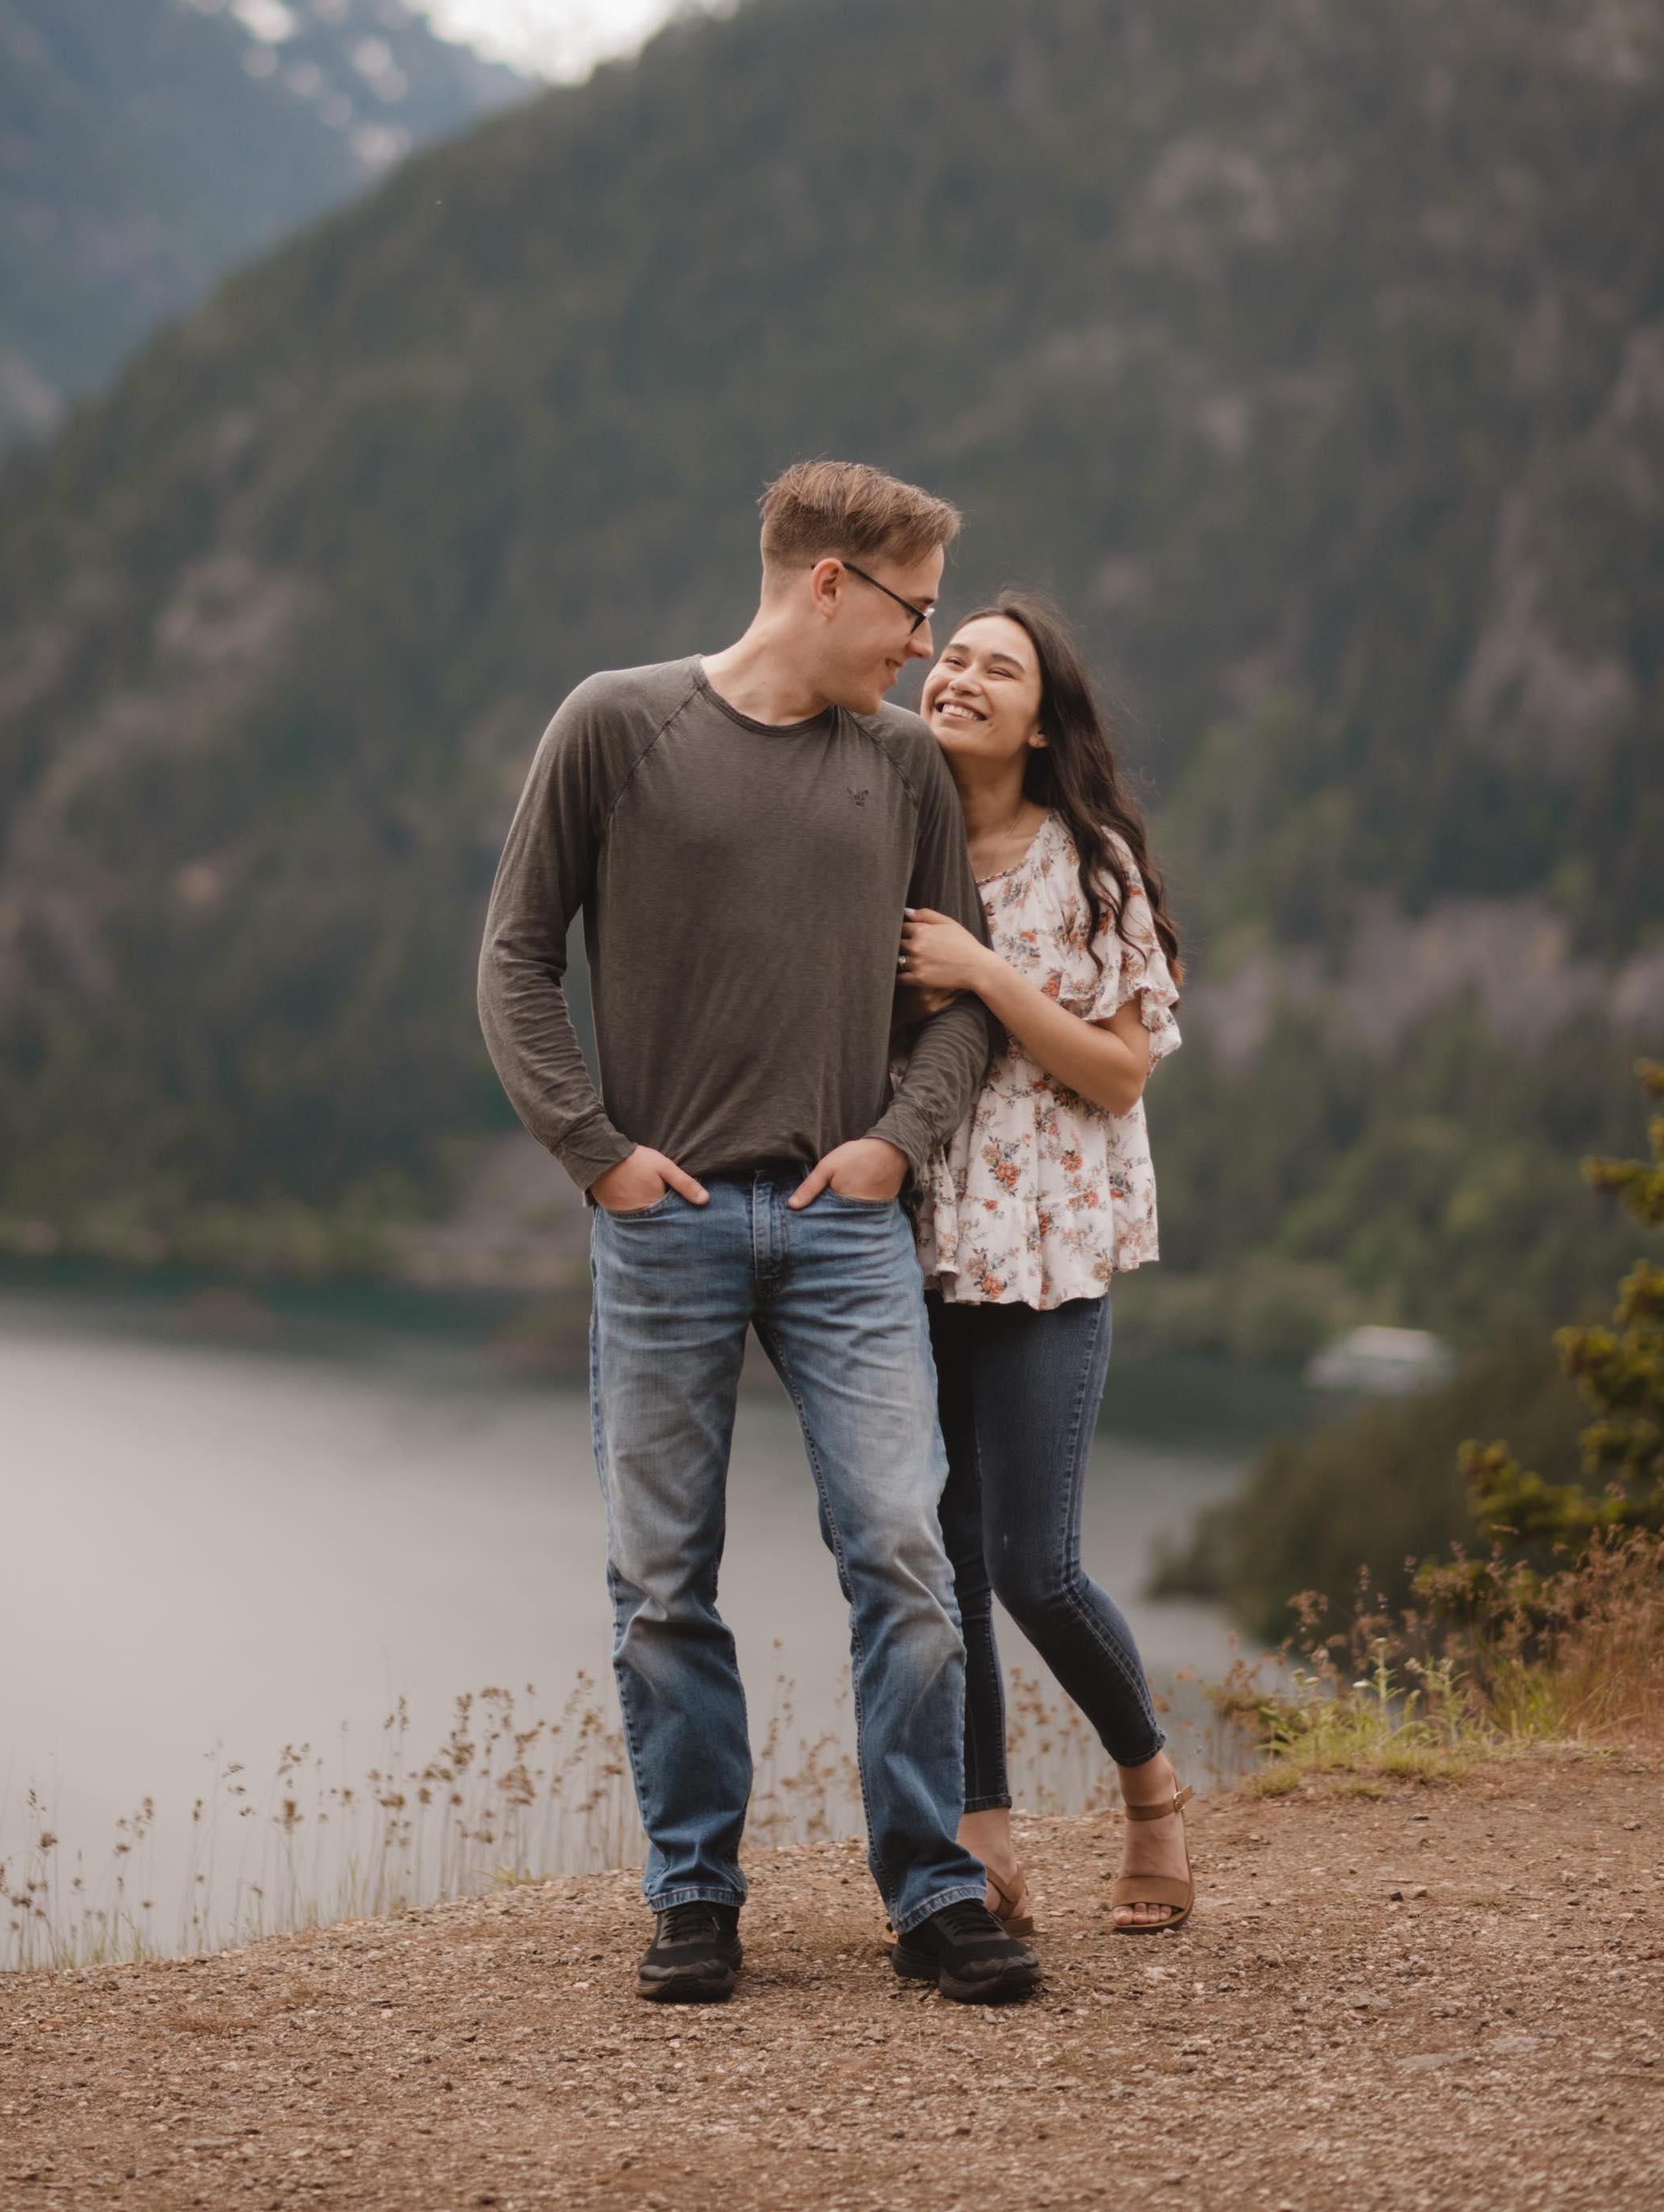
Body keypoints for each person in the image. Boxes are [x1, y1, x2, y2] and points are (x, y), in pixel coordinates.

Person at [476, 461, 1041, 2007]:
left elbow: (962, 1007)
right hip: (659, 1227)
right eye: (916, 612)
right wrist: (596, 1158)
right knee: (664, 1578)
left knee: (907, 1557)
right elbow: (516, 962)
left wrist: (892, 1149)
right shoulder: (615, 723)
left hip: (845, 1225)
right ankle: (696, 1894)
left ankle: (929, 1892)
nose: (926, 651)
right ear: (831, 585)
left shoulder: (905, 769)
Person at [895, 591, 1198, 1937]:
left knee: (1035, 1565)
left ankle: (1150, 1798)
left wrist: (985, 972)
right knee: (937, 1557)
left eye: (995, 667)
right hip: (907, 1245)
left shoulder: (1089, 866)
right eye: (950, 653)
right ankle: (984, 1840)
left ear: (1039, 715)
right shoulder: (888, 837)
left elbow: (1120, 1067)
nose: (959, 674)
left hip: (1049, 1254)